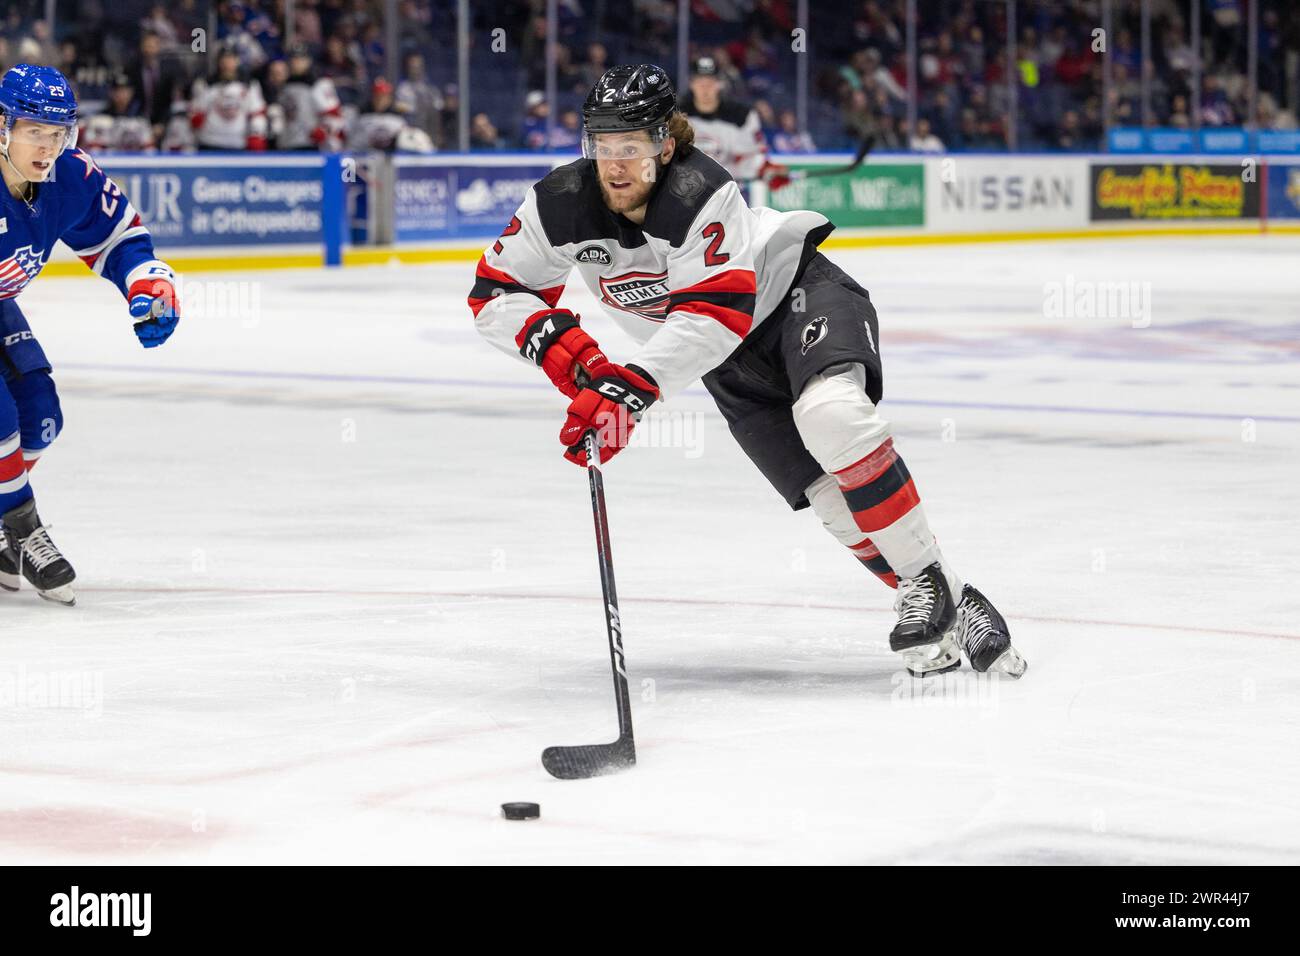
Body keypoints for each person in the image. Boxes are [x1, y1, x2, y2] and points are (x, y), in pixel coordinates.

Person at [468, 65, 1027, 678]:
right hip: (722, 364)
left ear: (665, 144)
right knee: (830, 502)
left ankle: (925, 586)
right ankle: (951, 597)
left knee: (832, 416)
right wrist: (574, 359)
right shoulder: (559, 203)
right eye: (602, 146)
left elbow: (715, 314)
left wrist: (626, 391)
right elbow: (495, 292)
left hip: (796, 301)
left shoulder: (698, 190)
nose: (615, 164)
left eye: (630, 147)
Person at [0, 65, 181, 605]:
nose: (48, 146)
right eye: (35, 130)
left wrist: (147, 281)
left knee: (41, 419)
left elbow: (120, 236)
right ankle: (23, 525)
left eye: (58, 133)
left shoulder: (67, 175)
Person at [678, 55, 788, 191]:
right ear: (691, 83)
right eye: (700, 82)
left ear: (720, 84)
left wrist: (766, 169)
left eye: (710, 83)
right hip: (685, 192)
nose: (705, 89)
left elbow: (751, 157)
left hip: (727, 194)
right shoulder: (675, 114)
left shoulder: (741, 116)